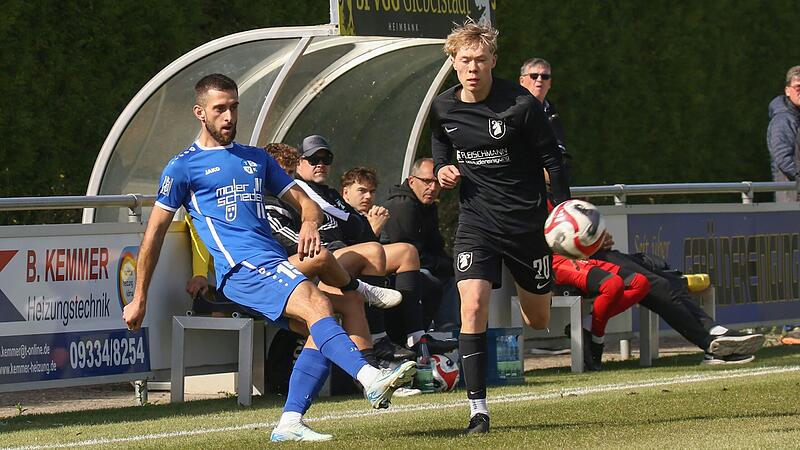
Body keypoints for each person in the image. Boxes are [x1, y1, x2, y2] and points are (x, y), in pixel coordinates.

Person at [121, 74, 416, 443]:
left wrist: (309, 223)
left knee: (326, 319)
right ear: (200, 112)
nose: (229, 116)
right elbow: (154, 234)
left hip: (273, 263)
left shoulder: (256, 158)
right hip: (242, 270)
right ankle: (370, 376)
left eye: (234, 107)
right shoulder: (183, 167)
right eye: (220, 109)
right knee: (318, 304)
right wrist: (140, 298)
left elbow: (307, 204)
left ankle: (291, 421)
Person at [430, 20, 571, 434]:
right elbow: (441, 147)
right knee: (472, 306)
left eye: (480, 60)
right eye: (464, 60)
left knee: (538, 319)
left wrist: (563, 210)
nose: (472, 68)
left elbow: (552, 160)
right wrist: (442, 170)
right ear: (453, 62)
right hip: (477, 223)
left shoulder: (521, 105)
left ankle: (535, 294)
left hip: (527, 224)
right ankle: (478, 411)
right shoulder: (443, 106)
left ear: (493, 60)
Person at [292, 139, 457, 357]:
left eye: (326, 159)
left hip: (348, 254)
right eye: (314, 159)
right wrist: (369, 229)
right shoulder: (296, 191)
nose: (320, 164)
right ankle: (379, 339)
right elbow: (356, 229)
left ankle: (416, 338)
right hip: (322, 260)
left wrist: (368, 228)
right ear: (299, 162)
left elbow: (357, 229)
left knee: (407, 252)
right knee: (376, 252)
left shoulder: (329, 193)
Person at [594, 234, 765, 365]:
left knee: (672, 280)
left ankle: (713, 330)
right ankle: (710, 344)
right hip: (584, 265)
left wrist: (598, 235)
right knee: (658, 285)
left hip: (598, 255)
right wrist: (587, 241)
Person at [340, 166, 460, 348]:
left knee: (432, 283)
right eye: (362, 191)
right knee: (410, 255)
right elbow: (359, 254)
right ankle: (391, 338)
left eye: (372, 192)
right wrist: (373, 231)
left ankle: (419, 337)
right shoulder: (341, 216)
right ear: (346, 193)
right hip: (346, 276)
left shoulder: (371, 215)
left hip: (380, 275)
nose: (368, 197)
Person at [380, 157, 459, 329]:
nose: (433, 188)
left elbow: (435, 246)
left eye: (437, 182)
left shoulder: (427, 206)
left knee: (457, 277)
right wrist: (444, 265)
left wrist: (452, 266)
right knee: (431, 278)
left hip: (419, 264)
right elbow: (409, 252)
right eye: (427, 181)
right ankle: (438, 330)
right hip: (394, 271)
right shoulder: (402, 205)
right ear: (411, 181)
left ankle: (450, 330)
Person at [552, 254, 650, 371]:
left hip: (581, 257)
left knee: (640, 283)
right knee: (612, 284)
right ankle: (597, 340)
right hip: (556, 261)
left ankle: (587, 325)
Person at [519, 57, 571, 181]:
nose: (539, 80)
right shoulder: (510, 111)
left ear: (550, 83)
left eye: (545, 77)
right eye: (534, 76)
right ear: (522, 81)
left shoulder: (553, 114)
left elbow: (560, 151)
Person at [767, 65, 800, 202]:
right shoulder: (783, 120)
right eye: (798, 87)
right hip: (791, 198)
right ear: (787, 90)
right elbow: (783, 159)